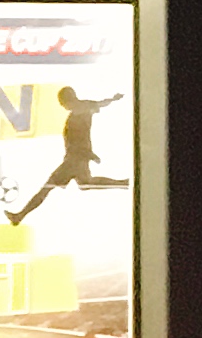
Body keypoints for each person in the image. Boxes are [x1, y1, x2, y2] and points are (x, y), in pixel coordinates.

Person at [7, 85, 123, 232]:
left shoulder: (77, 115)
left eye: (63, 104)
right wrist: (113, 99)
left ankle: (20, 216)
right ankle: (124, 183)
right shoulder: (85, 107)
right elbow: (101, 103)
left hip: (73, 160)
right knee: (86, 183)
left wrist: (89, 154)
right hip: (78, 158)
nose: (64, 107)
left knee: (47, 188)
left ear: (68, 100)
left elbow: (80, 138)